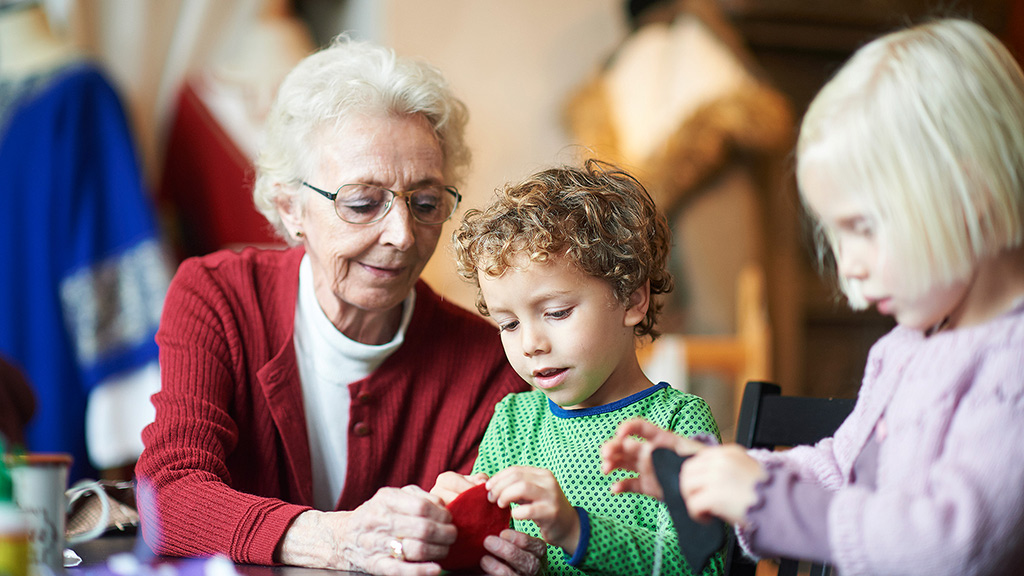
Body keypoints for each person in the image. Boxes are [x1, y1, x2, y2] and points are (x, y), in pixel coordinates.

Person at [601, 18, 1024, 576]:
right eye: (836, 235)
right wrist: (720, 471)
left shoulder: (1009, 362)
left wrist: (764, 498)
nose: (848, 267)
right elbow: (836, 470)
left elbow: (951, 544)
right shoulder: (904, 349)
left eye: (866, 227)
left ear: (971, 198)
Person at [134, 36, 542, 575]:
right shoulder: (219, 297)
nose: (400, 234)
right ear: (290, 206)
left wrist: (511, 551)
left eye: (425, 203)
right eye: (361, 203)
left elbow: (484, 539)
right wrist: (333, 537)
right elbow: (168, 494)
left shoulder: (488, 363)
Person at [435, 160, 724, 575]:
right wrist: (452, 527)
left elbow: (704, 566)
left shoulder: (676, 423)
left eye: (556, 312)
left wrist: (575, 531)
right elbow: (489, 552)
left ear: (632, 299)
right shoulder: (513, 423)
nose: (531, 344)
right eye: (509, 324)